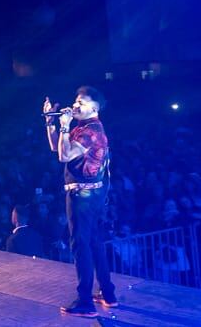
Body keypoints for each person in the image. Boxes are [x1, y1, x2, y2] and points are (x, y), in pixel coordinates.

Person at [44, 86, 118, 317]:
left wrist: (64, 125)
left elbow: (64, 156)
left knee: (80, 244)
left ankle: (85, 302)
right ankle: (108, 293)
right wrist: (50, 122)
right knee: (94, 242)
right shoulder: (85, 128)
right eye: (75, 101)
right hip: (92, 195)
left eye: (81, 103)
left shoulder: (90, 131)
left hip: (82, 196)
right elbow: (57, 147)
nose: (75, 106)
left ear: (94, 108)